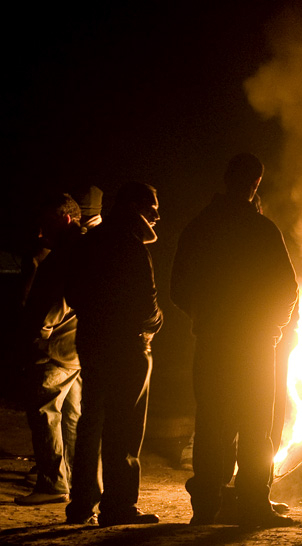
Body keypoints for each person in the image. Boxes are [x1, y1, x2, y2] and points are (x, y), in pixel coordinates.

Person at [171, 153, 298, 528]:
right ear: (255, 183)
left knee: (211, 423)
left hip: (213, 342)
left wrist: (203, 318)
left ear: (225, 178)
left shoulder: (199, 228)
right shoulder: (262, 230)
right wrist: (272, 327)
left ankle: (206, 507)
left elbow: (179, 287)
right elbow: (287, 288)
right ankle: (254, 504)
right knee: (256, 426)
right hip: (255, 346)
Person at [65, 182, 162, 527]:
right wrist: (155, 323)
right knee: (124, 427)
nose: (157, 214)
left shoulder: (90, 243)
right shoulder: (133, 247)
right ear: (135, 206)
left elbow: (73, 291)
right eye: (152, 207)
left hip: (92, 339)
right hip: (128, 346)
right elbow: (146, 304)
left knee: (91, 421)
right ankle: (118, 506)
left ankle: (80, 504)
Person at [16, 194, 88, 506]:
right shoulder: (84, 246)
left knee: (45, 411)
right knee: (70, 414)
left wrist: (40, 335)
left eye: (47, 222)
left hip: (56, 348)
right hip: (74, 347)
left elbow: (56, 298)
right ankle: (68, 479)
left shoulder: (66, 252)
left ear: (66, 218)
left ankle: (53, 483)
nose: (40, 230)